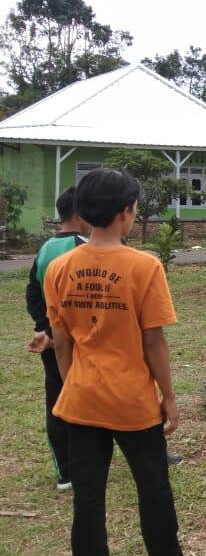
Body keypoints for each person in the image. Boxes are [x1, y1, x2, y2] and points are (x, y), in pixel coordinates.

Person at [43, 168, 182, 555]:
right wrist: (168, 396)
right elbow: (153, 341)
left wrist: (73, 384)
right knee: (154, 490)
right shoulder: (145, 266)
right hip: (133, 403)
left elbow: (60, 343)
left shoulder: (59, 268)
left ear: (83, 213)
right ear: (125, 212)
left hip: (82, 401)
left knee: (87, 498)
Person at [25, 187, 86, 491]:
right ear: (79, 215)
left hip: (51, 340)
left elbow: (32, 294)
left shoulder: (45, 248)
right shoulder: (84, 247)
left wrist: (46, 330)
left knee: (57, 400)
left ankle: (66, 471)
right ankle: (147, 453)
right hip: (79, 342)